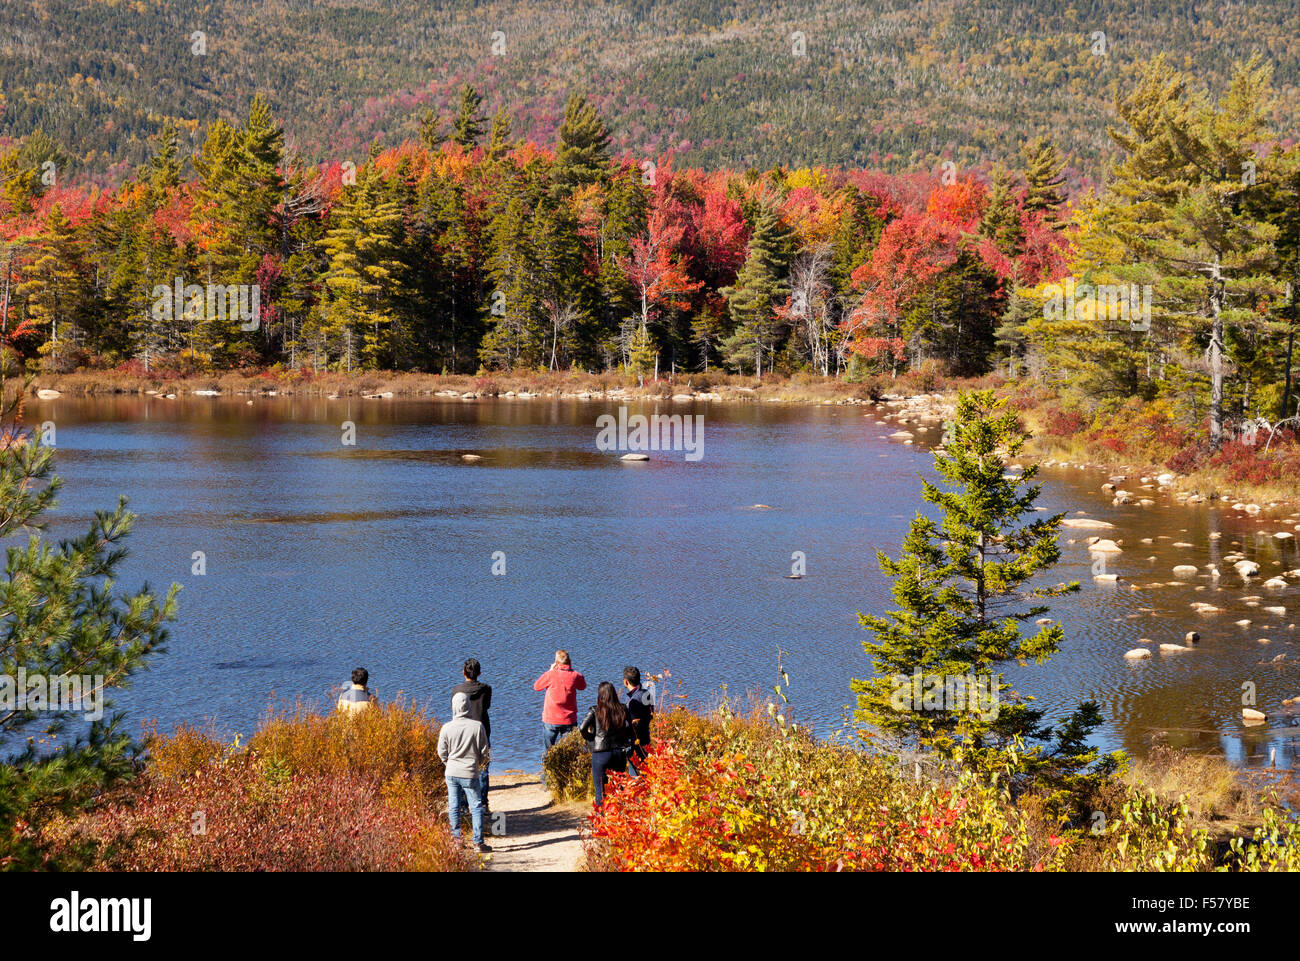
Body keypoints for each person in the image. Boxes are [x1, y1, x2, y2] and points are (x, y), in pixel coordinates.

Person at [437, 692, 491, 853]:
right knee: (476, 807)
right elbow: (484, 751)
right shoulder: (477, 726)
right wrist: (477, 764)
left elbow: (441, 752)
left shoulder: (446, 727)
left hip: (451, 772)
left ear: (453, 707)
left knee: (453, 806)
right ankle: (478, 843)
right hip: (470, 772)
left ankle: (456, 841)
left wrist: (449, 764)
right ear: (468, 706)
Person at [579, 681, 633, 808]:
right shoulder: (622, 708)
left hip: (600, 755)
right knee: (618, 787)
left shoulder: (595, 711)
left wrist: (591, 739)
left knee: (601, 791)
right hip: (619, 753)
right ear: (614, 694)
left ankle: (601, 821)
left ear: (600, 695)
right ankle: (620, 818)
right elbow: (630, 728)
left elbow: (582, 728)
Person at [452, 658, 492, 810]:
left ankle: (463, 804)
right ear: (479, 673)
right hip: (482, 731)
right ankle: (483, 803)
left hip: (461, 732)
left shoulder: (457, 691)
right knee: (483, 768)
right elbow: (487, 706)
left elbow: (455, 710)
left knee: (462, 766)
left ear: (463, 673)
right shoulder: (486, 689)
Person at [534, 650, 586, 751]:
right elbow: (583, 686)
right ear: (569, 661)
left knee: (548, 753)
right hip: (569, 720)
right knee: (569, 753)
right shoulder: (575, 675)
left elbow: (536, 686)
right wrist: (571, 670)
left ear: (556, 663)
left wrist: (550, 670)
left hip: (551, 719)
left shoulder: (550, 675)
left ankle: (548, 767)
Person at [622, 666, 654, 775]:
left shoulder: (632, 701)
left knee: (635, 777)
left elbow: (634, 725)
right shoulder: (646, 694)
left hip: (635, 743)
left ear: (626, 682)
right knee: (646, 773)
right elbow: (651, 714)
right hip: (646, 739)